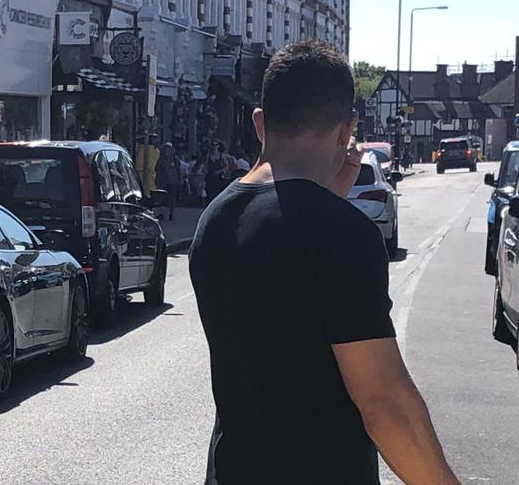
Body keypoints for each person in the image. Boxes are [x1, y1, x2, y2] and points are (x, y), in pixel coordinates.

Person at [190, 40, 459, 485]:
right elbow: (384, 401)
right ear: (346, 129)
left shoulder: (215, 220)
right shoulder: (344, 236)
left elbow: (280, 277)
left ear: (260, 123)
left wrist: (324, 197)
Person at [155, 142, 182, 221]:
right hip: (162, 182)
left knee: (172, 199)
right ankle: (161, 213)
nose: (167, 150)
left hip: (173, 182)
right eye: (166, 148)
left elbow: (179, 170)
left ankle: (171, 213)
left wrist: (180, 180)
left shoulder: (175, 159)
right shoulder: (160, 159)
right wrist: (157, 179)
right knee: (161, 198)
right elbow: (157, 169)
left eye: (169, 149)